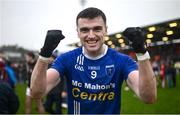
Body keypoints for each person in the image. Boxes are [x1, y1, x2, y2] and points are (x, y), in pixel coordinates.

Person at [30, 7, 157, 114]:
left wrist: (142, 54)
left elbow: (149, 97)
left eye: (97, 29)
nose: (91, 35)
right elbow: (36, 93)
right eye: (84, 30)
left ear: (106, 30)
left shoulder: (121, 61)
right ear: (78, 32)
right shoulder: (67, 59)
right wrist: (44, 55)